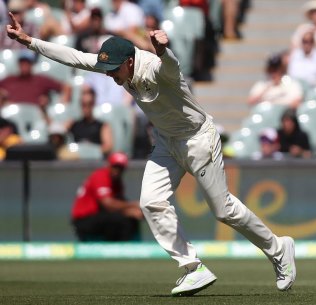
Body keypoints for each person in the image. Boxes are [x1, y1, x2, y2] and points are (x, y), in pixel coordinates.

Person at [5, 11, 295, 296]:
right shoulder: (116, 63)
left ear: (130, 62)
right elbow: (75, 56)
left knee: (223, 210)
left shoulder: (156, 68)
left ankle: (278, 248)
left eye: (115, 70)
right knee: (151, 202)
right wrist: (29, 41)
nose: (111, 76)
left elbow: (171, 68)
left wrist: (164, 51)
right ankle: (193, 268)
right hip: (167, 142)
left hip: (198, 140)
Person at [71, 152, 143, 241]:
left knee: (130, 219)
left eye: (120, 168)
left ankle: (132, 249)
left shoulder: (117, 183)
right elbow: (107, 204)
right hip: (84, 219)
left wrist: (132, 211)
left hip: (99, 216)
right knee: (120, 220)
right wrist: (134, 205)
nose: (117, 171)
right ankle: (121, 250)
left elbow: (117, 204)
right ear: (109, 165)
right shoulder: (101, 176)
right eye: (115, 167)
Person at [67, 86, 114, 157]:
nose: (86, 108)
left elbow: (108, 147)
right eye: (83, 104)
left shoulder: (102, 126)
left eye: (89, 104)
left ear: (93, 104)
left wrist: (89, 150)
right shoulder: (73, 124)